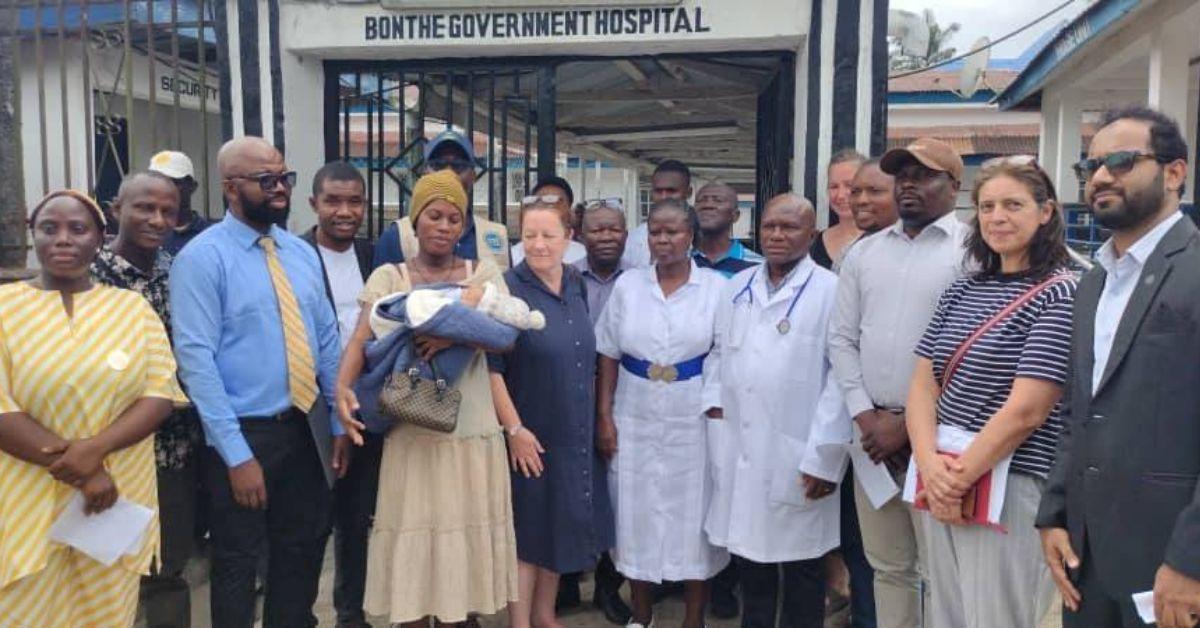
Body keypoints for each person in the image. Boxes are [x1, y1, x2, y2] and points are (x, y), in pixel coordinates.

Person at [170, 137, 348, 628]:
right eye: (266, 180)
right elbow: (196, 363)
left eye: (284, 178)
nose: (280, 189)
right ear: (231, 188)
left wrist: (337, 421)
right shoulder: (202, 259)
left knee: (302, 551)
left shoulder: (300, 253)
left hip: (305, 428)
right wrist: (236, 455)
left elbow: (326, 341)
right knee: (238, 561)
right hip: (244, 434)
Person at [1037, 106, 1200, 628]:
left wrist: (1191, 559)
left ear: (1174, 173)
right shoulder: (1094, 281)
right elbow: (1078, 409)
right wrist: (1055, 513)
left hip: (1170, 562)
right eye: (1090, 166)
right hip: (1087, 559)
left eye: (1122, 161)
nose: (1101, 176)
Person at [336, 168, 519, 627]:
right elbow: (360, 339)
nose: (443, 226)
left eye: (454, 219)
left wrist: (453, 334)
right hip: (412, 432)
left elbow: (507, 336)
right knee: (413, 546)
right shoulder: (390, 276)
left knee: (461, 553)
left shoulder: (483, 274)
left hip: (471, 431)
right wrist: (341, 389)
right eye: (434, 216)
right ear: (415, 220)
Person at [0, 190, 185, 627]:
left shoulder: (133, 310)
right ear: (32, 233)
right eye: (50, 229)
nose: (63, 239)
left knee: (105, 612)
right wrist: (86, 470)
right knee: (22, 610)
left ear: (100, 238)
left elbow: (159, 394)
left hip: (113, 498)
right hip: (26, 493)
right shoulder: (4, 309)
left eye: (78, 229)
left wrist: (94, 452)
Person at [906, 157, 1076, 627]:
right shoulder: (961, 289)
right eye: (987, 206)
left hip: (1011, 480)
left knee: (996, 617)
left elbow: (1027, 410)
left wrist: (955, 481)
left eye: (1013, 205)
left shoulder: (1060, 293)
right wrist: (930, 466)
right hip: (939, 472)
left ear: (1046, 212)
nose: (997, 217)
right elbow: (922, 384)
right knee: (946, 614)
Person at [827, 137, 969, 628]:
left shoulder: (972, 252)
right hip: (871, 439)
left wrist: (908, 425)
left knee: (942, 571)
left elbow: (971, 354)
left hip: (940, 439)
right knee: (888, 567)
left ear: (954, 186)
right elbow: (841, 339)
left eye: (923, 176)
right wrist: (865, 415)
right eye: (902, 175)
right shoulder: (864, 253)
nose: (908, 184)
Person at [705, 193, 850, 628]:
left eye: (789, 227)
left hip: (800, 450)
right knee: (752, 566)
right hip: (741, 445)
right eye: (769, 226)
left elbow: (841, 379)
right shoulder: (737, 287)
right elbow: (718, 352)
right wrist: (715, 405)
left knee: (803, 568)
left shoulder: (831, 291)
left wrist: (825, 457)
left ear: (812, 234)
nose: (777, 235)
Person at [596, 198, 729, 628]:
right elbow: (608, 353)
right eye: (655, 232)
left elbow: (725, 354)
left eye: (673, 231)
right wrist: (605, 417)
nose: (663, 239)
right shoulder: (628, 286)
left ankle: (693, 619)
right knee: (634, 512)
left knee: (693, 515)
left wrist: (717, 417)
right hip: (633, 410)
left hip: (693, 413)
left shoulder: (715, 289)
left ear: (691, 236)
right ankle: (642, 614)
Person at [490, 196, 615, 628]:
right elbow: (491, 368)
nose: (538, 245)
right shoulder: (507, 288)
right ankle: (520, 623)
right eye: (529, 236)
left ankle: (544, 614)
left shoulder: (575, 282)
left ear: (568, 238)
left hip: (573, 427)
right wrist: (515, 430)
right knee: (529, 534)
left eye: (548, 235)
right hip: (531, 430)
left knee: (560, 524)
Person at [91, 172, 204, 628]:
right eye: (144, 208)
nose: (157, 219)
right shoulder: (87, 275)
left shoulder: (180, 271)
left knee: (166, 567)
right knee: (100, 566)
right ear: (116, 210)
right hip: (108, 453)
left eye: (168, 211)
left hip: (173, 453)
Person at [297, 161, 378, 628]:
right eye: (333, 201)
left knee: (356, 519)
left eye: (354, 201)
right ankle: (300, 614)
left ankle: (351, 614)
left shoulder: (373, 255)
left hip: (366, 406)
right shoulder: (295, 256)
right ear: (315, 204)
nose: (344, 211)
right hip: (311, 411)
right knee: (310, 521)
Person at [374, 130, 510, 270]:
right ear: (425, 173)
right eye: (438, 165)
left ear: (473, 176)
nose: (448, 173)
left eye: (458, 166)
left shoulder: (496, 236)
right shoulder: (396, 236)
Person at [622, 160, 693, 269]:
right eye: (658, 191)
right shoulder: (633, 240)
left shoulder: (704, 235)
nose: (664, 197)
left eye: (671, 191)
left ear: (689, 192)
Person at [511, 176, 587, 266]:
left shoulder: (582, 255)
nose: (548, 208)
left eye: (557, 203)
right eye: (542, 202)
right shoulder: (513, 256)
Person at [692, 182, 762, 278]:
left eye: (718, 201)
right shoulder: (679, 261)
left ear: (735, 215)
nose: (707, 205)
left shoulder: (758, 266)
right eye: (701, 201)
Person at [811, 149, 866, 270]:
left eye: (849, 185)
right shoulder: (813, 244)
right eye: (834, 187)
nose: (840, 195)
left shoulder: (882, 241)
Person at [150, 150, 211, 256]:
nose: (163, 188)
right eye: (155, 183)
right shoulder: (143, 234)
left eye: (174, 182)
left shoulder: (211, 235)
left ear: (192, 187)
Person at [850, 159, 898, 236]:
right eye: (855, 192)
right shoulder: (861, 243)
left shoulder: (914, 242)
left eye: (875, 191)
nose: (861, 200)